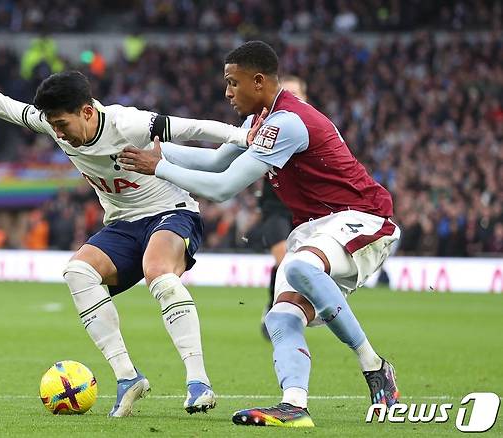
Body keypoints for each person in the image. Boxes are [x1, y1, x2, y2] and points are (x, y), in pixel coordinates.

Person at [0, 53, 261, 417]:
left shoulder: (128, 123)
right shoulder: (54, 124)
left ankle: (198, 382)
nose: (58, 134)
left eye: (62, 124)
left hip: (171, 212)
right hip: (123, 225)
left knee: (159, 273)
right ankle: (128, 378)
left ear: (87, 112)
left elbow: (193, 128)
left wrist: (241, 135)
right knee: (77, 272)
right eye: (53, 126)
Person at [119, 41, 400, 427]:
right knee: (280, 317)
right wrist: (154, 151)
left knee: (299, 268)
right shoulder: (260, 121)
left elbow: (222, 186)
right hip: (313, 228)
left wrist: (158, 168)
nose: (227, 93)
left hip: (362, 216)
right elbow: (217, 159)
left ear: (258, 80)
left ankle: (374, 365)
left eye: (233, 83)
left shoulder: (287, 122)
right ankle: (294, 405)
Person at [252, 75, 307, 339]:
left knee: (297, 265)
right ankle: (275, 308)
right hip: (274, 208)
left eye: (298, 93)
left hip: (304, 213)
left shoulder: (312, 128)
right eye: (289, 93)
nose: (293, 98)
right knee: (285, 262)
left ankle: (281, 306)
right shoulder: (269, 126)